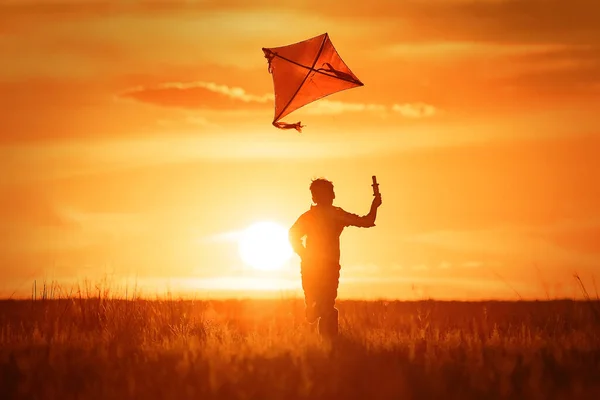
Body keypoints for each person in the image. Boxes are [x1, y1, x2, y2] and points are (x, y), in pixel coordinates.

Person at [289, 178, 382, 338]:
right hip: (315, 267)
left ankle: (329, 344)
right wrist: (304, 254)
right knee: (315, 311)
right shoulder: (318, 216)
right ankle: (325, 332)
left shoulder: (333, 215)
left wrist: (375, 205)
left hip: (326, 268)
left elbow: (366, 221)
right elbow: (292, 235)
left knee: (326, 308)